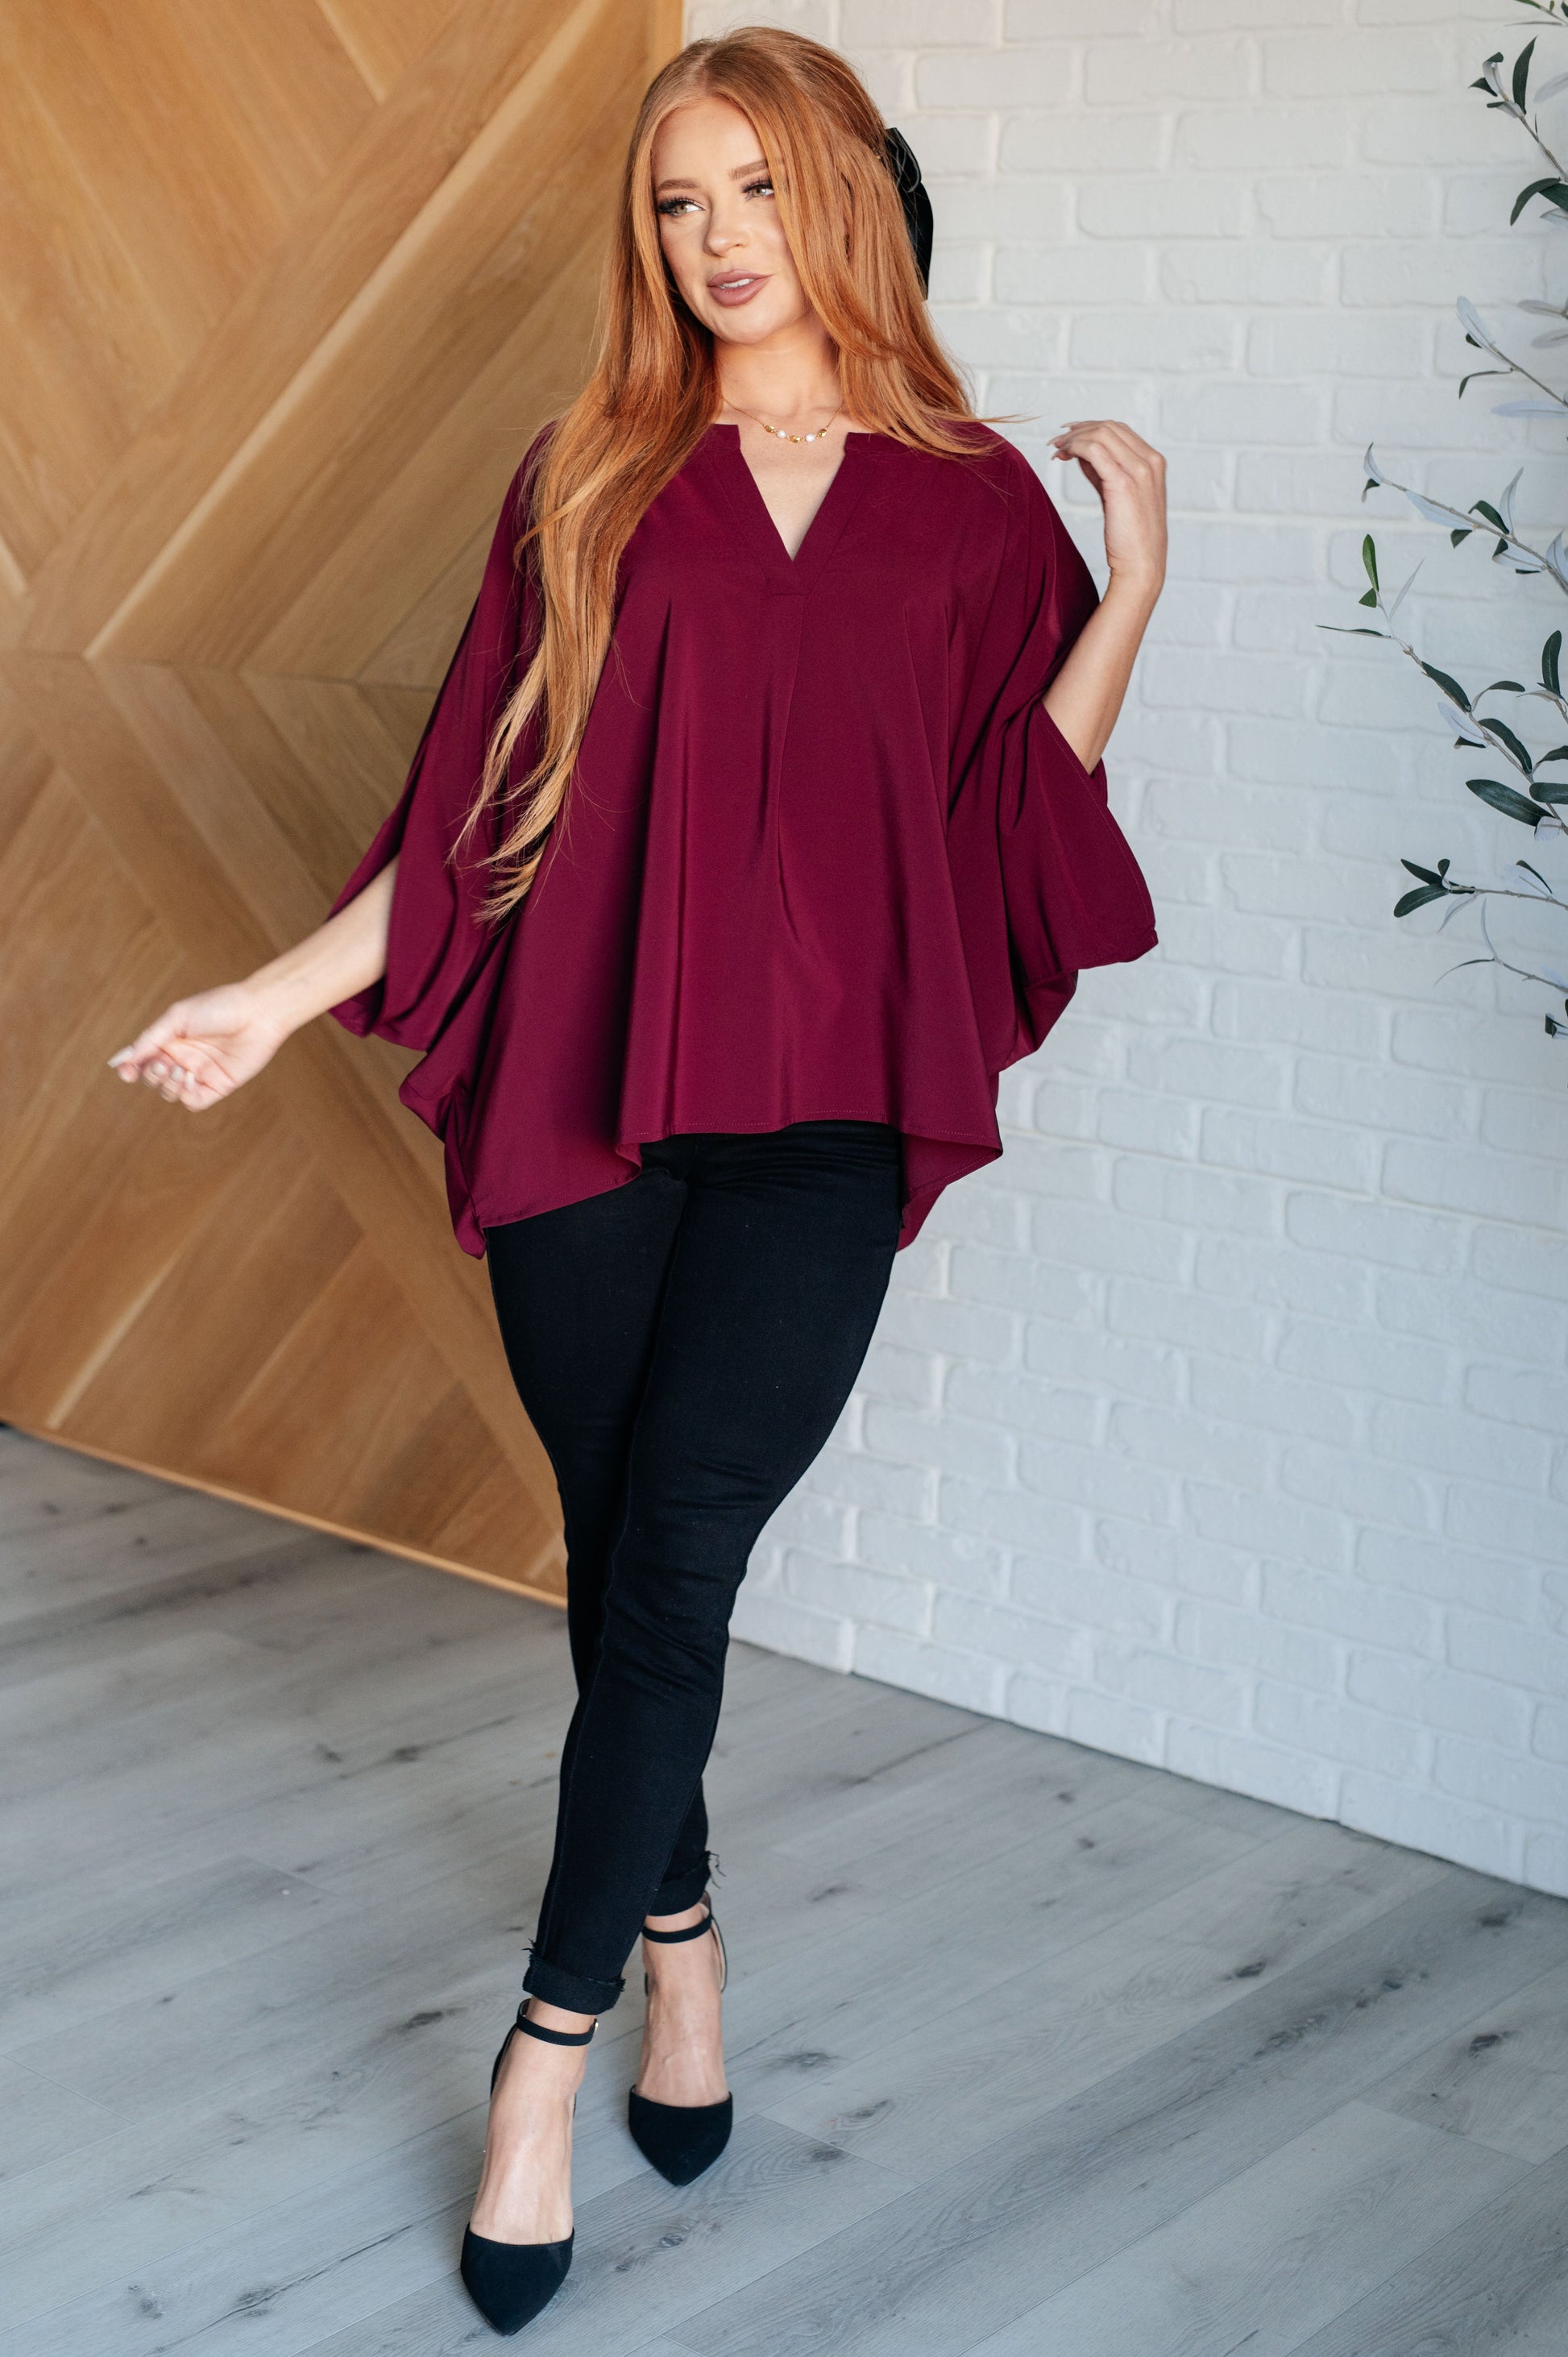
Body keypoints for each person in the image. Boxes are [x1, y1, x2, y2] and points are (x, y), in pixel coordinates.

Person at [108, 25, 1167, 2339]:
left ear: (843, 198)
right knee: (628, 1569)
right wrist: (267, 1001)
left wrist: (1137, 585)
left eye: (754, 191)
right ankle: (682, 1943)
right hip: (592, 1105)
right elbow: (466, 815)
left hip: (819, 1126)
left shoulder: (976, 498)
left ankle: (543, 2057)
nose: (714, 239)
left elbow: (1014, 816)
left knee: (674, 1561)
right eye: (677, 203)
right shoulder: (586, 474)